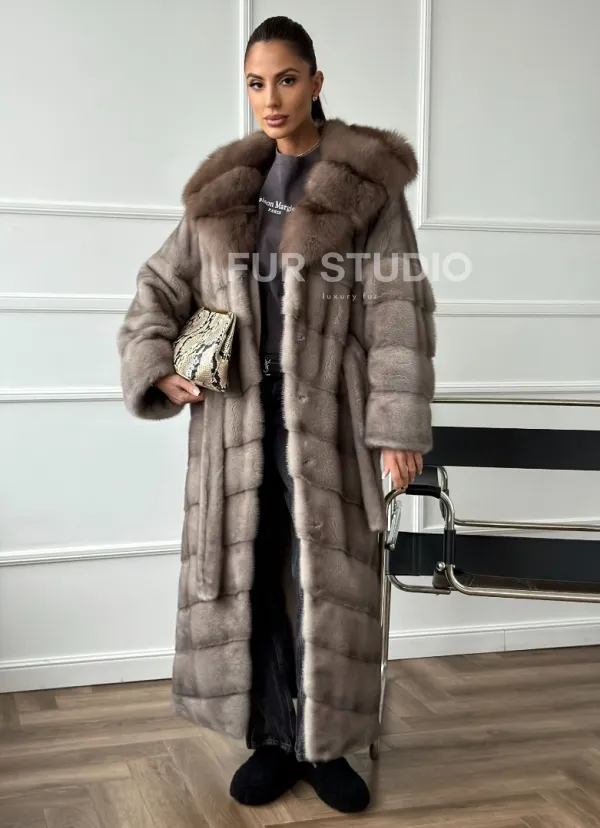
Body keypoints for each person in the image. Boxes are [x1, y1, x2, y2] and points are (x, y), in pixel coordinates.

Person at [118, 14, 436, 815]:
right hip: (235, 419)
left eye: (287, 79)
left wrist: (397, 428)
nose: (271, 98)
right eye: (257, 83)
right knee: (251, 577)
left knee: (324, 579)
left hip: (328, 417)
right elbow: (159, 288)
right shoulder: (223, 192)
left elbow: (397, 308)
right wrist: (157, 366)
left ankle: (327, 747)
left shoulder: (362, 187)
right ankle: (270, 737)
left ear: (316, 82)